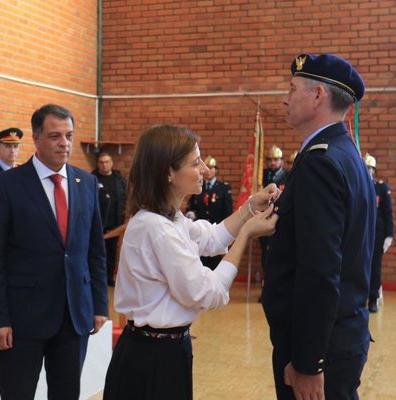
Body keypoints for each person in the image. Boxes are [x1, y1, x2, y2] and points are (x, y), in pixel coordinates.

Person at [103, 124, 278, 400]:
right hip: (151, 359)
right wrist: (246, 233)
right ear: (168, 173)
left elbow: (212, 236)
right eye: (195, 163)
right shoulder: (156, 228)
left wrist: (249, 209)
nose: (205, 171)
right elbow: (208, 293)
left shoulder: (169, 219)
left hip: (164, 352)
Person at [262, 53, 376, 400]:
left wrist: (310, 362)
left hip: (319, 345)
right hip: (341, 333)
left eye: (292, 88)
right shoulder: (344, 155)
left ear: (317, 96)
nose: (284, 98)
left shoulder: (321, 163)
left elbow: (320, 271)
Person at [0, 104, 108, 400]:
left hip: (74, 315)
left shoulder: (86, 183)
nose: (64, 143)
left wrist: (99, 304)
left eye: (69, 135)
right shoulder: (7, 186)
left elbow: (95, 251)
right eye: (54, 136)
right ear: (36, 138)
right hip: (23, 319)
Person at [185, 155, 234, 270]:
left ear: (216, 170)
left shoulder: (223, 188)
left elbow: (227, 211)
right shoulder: (198, 187)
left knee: (215, 266)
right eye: (208, 167)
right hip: (200, 233)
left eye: (212, 167)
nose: (209, 170)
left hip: (217, 232)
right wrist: (190, 213)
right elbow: (191, 205)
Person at [364, 152, 394, 313]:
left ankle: (373, 298)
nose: (367, 171)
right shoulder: (357, 185)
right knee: (360, 267)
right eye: (365, 167)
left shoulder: (381, 188)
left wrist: (389, 234)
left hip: (376, 234)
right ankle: (360, 297)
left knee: (375, 268)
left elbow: (388, 212)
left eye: (370, 168)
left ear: (374, 171)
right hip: (360, 234)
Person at [92, 151, 127, 286]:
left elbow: (124, 199)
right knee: (97, 251)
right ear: (98, 164)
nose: (104, 165)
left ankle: (108, 278)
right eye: (101, 162)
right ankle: (97, 278)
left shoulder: (119, 180)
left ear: (111, 163)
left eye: (107, 162)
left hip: (115, 222)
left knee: (111, 252)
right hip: (97, 222)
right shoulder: (93, 178)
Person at [259, 145, 288, 286]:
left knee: (281, 253)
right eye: (270, 159)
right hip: (263, 218)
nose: (272, 162)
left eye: (276, 159)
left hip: (281, 220)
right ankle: (267, 285)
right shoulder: (260, 176)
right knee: (266, 253)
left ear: (282, 160)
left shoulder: (288, 176)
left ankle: (279, 285)